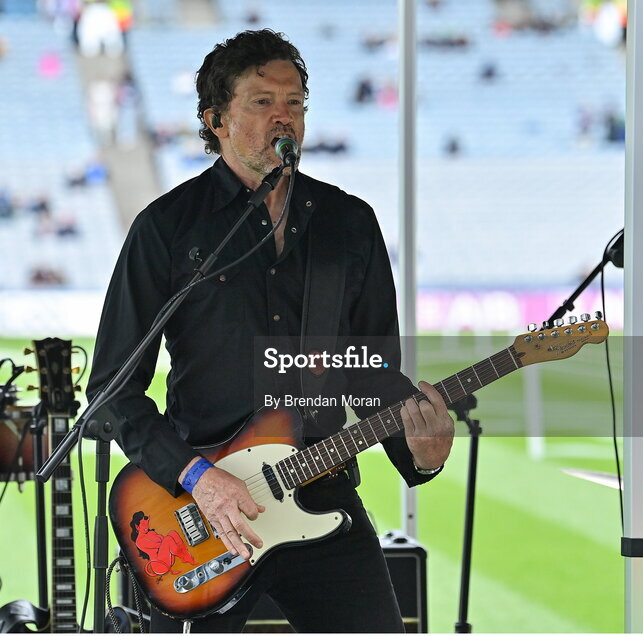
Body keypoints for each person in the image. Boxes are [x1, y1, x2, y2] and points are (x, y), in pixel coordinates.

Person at [88, 29, 454, 633]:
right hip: (205, 508)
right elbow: (111, 391)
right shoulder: (167, 228)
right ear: (216, 120)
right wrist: (198, 478)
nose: (284, 117)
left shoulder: (350, 223)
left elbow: (374, 376)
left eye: (295, 103)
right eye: (262, 102)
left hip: (323, 491)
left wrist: (421, 456)